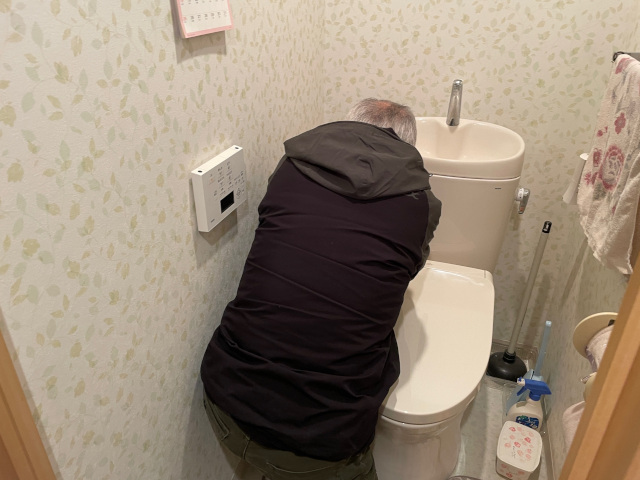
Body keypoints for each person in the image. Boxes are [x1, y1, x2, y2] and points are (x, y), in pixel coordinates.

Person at [200, 99, 441, 480]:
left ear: (351, 125)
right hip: (319, 443)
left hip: (224, 396)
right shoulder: (422, 205)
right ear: (407, 145)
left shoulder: (290, 166)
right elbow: (407, 271)